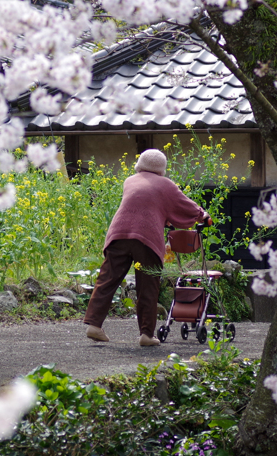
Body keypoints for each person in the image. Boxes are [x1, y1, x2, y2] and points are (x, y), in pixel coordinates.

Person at [83, 148, 209, 347]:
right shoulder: (165, 185)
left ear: (139, 165)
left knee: (107, 279)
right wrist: (203, 215)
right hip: (146, 239)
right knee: (148, 286)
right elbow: (185, 205)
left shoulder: (130, 181)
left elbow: (145, 204)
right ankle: (146, 334)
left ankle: (94, 325)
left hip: (118, 234)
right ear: (161, 169)